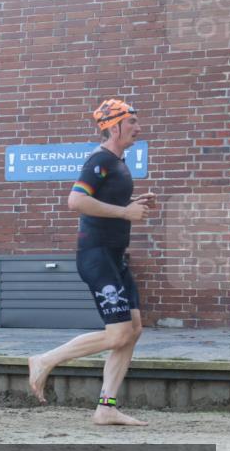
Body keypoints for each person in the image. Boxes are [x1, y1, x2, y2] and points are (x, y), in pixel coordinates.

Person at [28, 99, 155, 425]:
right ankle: (45, 359)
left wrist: (129, 202)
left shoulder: (117, 162)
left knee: (134, 329)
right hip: (96, 257)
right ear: (114, 127)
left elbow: (102, 202)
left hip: (115, 257)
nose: (138, 128)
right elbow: (77, 201)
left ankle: (106, 407)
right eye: (132, 123)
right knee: (117, 335)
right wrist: (126, 212)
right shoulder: (99, 160)